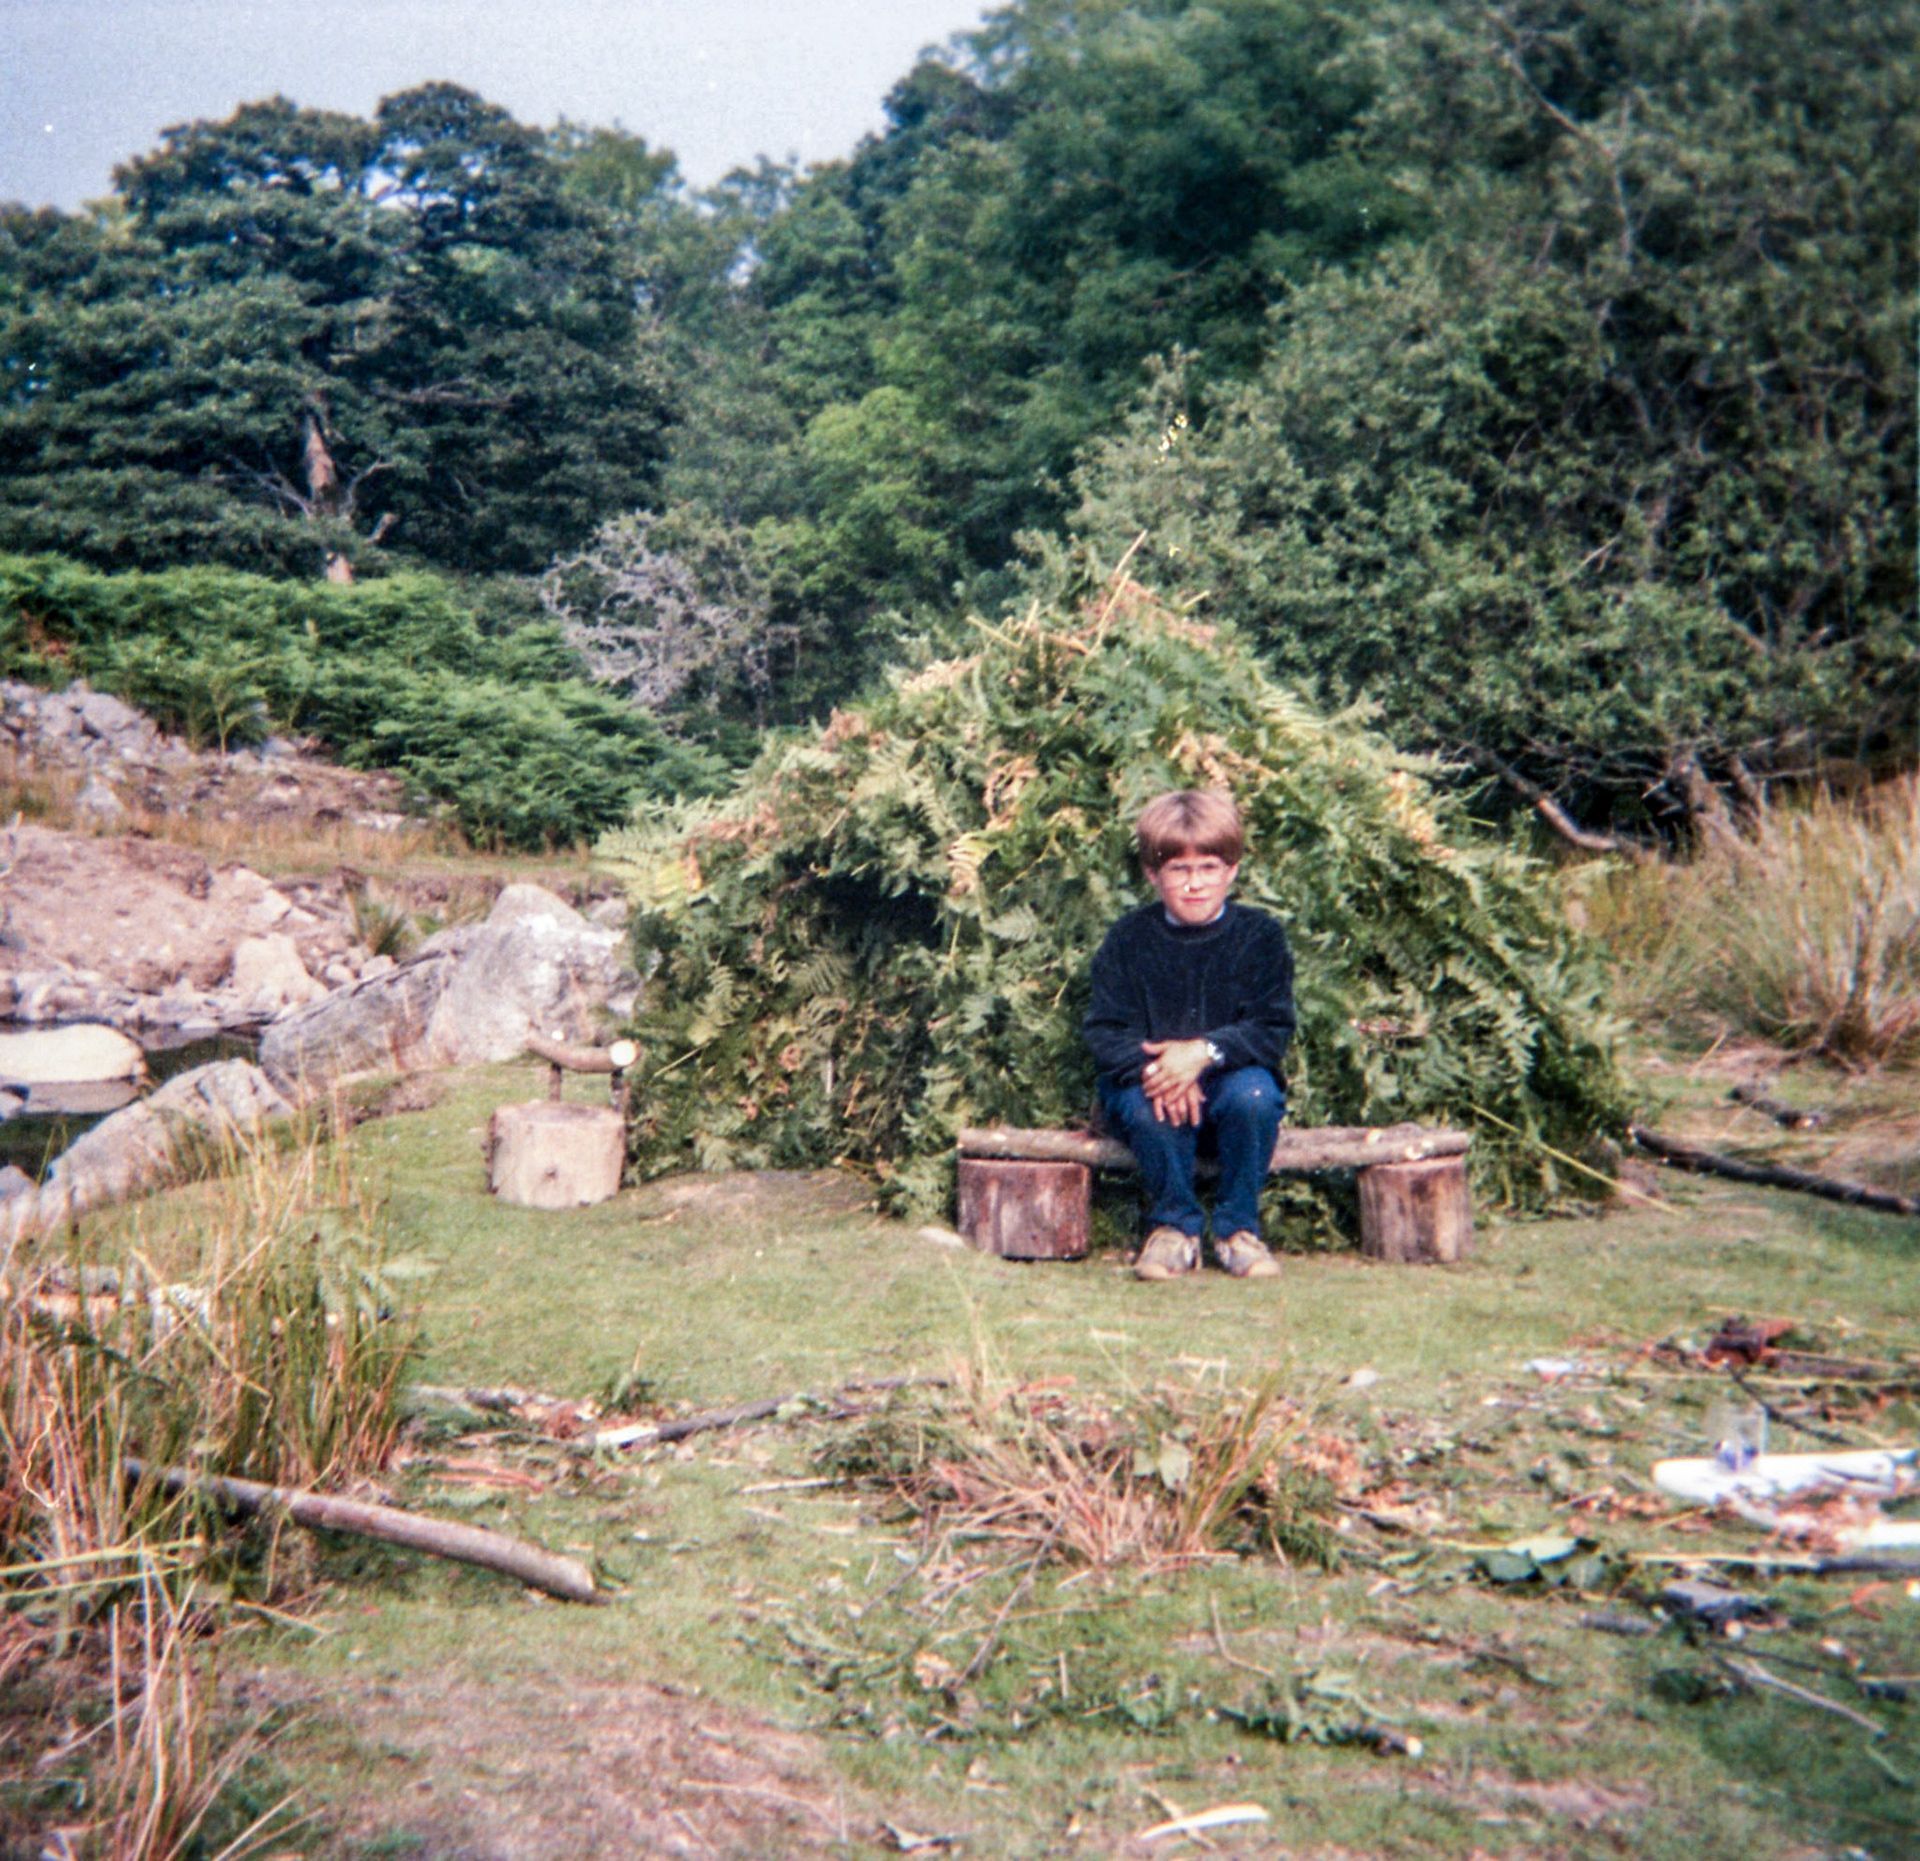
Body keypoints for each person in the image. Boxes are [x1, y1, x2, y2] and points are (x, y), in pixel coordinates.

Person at [1083, 790, 1294, 1281]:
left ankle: (1238, 1230)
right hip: (1148, 1082)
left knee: (1256, 1096)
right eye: (1179, 870)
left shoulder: (1260, 937)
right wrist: (1163, 1070)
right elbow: (1105, 1032)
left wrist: (1202, 1053)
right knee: (1144, 1105)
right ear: (1153, 874)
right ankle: (1174, 1229)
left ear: (1232, 870)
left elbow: (1271, 1028)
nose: (1195, 884)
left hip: (1229, 1080)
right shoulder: (1128, 939)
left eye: (1208, 868)